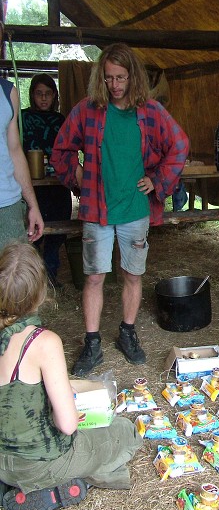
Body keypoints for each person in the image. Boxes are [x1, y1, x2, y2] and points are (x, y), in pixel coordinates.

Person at [51, 43, 189, 376]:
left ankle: (127, 333)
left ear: (133, 77)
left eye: (121, 77)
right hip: (97, 209)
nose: (115, 85)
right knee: (95, 276)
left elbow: (179, 144)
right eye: (109, 77)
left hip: (135, 209)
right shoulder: (87, 110)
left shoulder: (150, 111)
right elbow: (61, 151)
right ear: (101, 77)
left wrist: (158, 179)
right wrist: (78, 176)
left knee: (132, 274)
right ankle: (92, 342)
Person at [0, 242, 143, 510]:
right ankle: (54, 489)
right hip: (37, 463)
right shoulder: (43, 342)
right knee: (125, 431)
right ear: (41, 291)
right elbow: (66, 425)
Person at [21, 74, 72, 285]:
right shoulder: (21, 119)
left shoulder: (60, 120)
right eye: (39, 94)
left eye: (48, 94)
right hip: (31, 185)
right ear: (32, 95)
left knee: (58, 227)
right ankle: (34, 280)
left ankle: (50, 276)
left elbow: (68, 150)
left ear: (54, 96)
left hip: (57, 184)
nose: (43, 98)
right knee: (32, 232)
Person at [0, 23, 44, 251]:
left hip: (7, 207)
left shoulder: (8, 93)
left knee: (13, 283)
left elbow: (15, 150)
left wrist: (32, 205)